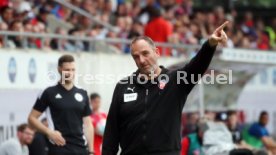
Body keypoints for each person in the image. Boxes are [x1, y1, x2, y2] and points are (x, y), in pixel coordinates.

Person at [102, 21, 229, 155]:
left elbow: (197, 66)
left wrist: (210, 45)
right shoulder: (123, 86)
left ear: (157, 52)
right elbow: (112, 131)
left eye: (145, 54)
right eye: (136, 57)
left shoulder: (175, 81)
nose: (142, 60)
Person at [28, 54, 94, 155]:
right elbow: (31, 118)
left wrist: (91, 151)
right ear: (59, 69)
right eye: (67, 70)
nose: (70, 73)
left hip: (81, 149)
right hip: (59, 148)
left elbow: (88, 124)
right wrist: (49, 132)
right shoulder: (48, 92)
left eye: (73, 70)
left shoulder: (82, 92)